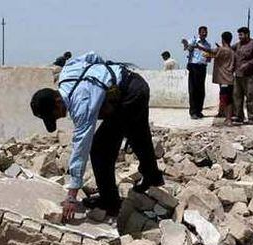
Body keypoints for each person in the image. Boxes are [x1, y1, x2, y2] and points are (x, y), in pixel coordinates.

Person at [30, 52, 164, 221]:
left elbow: (81, 149)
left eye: (56, 115)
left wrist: (72, 195)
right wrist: (105, 76)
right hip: (133, 83)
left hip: (130, 95)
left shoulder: (81, 105)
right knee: (138, 134)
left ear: (57, 101)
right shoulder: (66, 73)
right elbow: (92, 56)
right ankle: (153, 176)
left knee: (100, 150)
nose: (60, 118)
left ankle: (110, 202)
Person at [232, 27, 253, 125]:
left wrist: (248, 64)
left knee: (250, 97)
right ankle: (239, 116)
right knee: (237, 96)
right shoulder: (238, 45)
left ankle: (252, 118)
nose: (239, 37)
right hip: (238, 75)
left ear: (247, 34)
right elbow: (229, 49)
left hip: (249, 76)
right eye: (239, 35)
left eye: (241, 35)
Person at [182, 26, 212, 120]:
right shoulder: (193, 41)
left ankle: (199, 111)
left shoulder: (208, 45)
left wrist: (209, 57)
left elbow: (209, 58)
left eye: (206, 32)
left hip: (202, 67)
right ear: (199, 33)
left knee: (201, 90)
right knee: (193, 90)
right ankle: (193, 112)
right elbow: (187, 47)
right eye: (203, 32)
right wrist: (186, 44)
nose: (204, 33)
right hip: (193, 66)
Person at [205, 32, 235, 125]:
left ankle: (228, 119)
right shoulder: (232, 51)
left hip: (224, 79)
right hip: (229, 78)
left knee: (225, 98)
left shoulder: (221, 50)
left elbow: (210, 51)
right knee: (228, 98)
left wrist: (198, 46)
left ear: (223, 39)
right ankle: (227, 117)